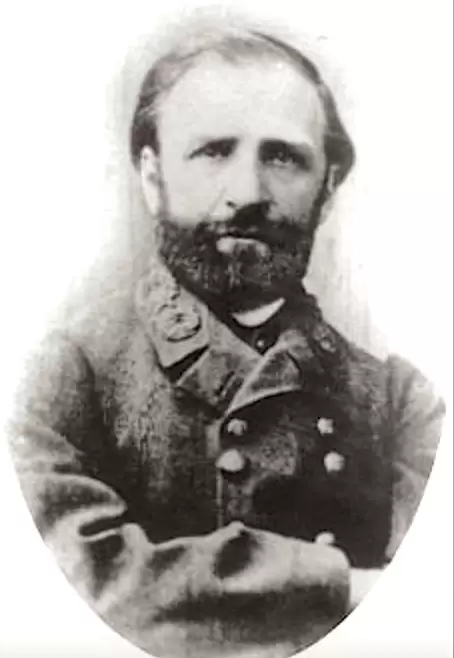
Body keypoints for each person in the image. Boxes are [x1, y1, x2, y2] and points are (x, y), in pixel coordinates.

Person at [7, 23, 445, 658]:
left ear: (326, 191)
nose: (247, 193)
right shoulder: (57, 376)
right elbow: (78, 590)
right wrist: (341, 587)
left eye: (283, 157)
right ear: (152, 177)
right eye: (213, 151)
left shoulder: (401, 403)